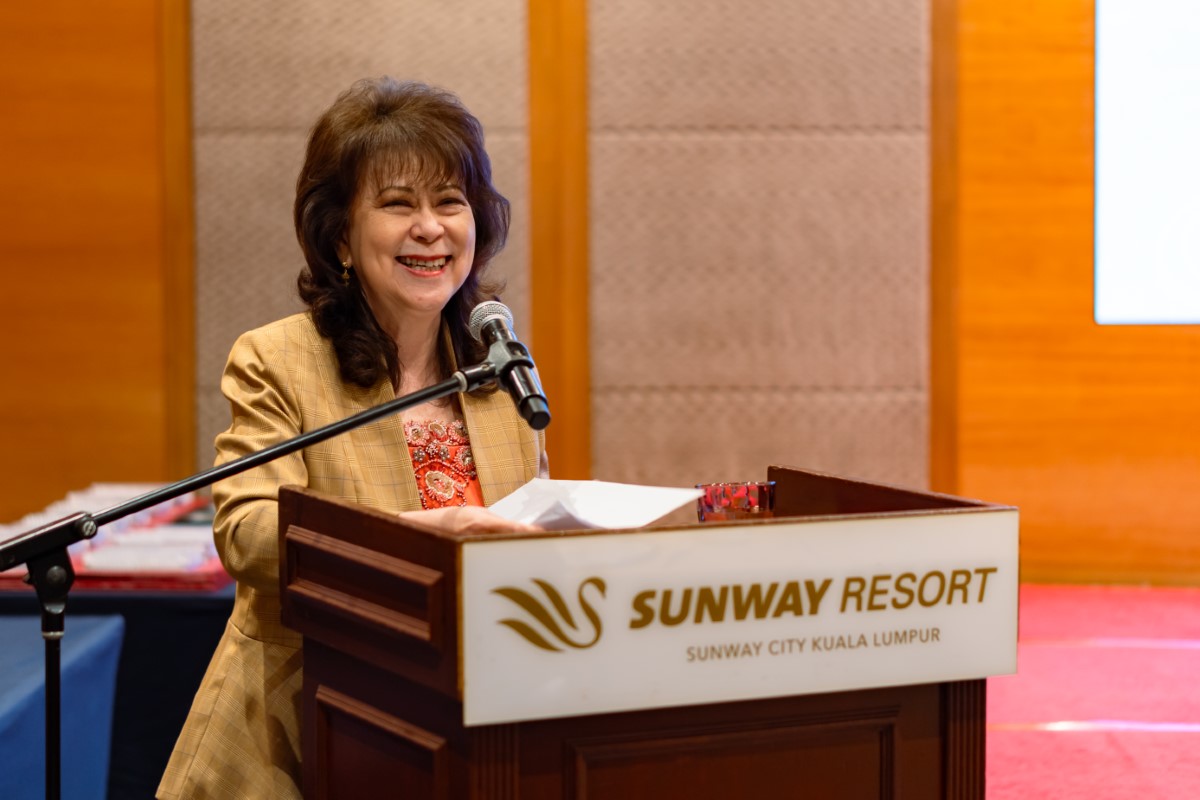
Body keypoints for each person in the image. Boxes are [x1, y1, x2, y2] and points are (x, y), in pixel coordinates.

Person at [157, 77, 547, 799]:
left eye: (449, 202)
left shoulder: (495, 376)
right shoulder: (278, 359)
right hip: (300, 741)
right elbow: (247, 532)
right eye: (398, 204)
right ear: (341, 236)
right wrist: (416, 539)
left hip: (456, 746)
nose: (430, 228)